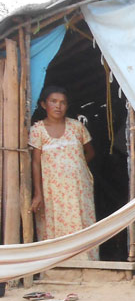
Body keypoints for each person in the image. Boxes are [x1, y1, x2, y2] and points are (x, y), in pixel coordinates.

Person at [28, 85, 98, 259]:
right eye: (53, 101)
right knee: (53, 226)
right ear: (44, 104)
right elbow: (35, 163)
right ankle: (56, 265)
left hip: (78, 188)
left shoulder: (77, 127)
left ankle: (86, 264)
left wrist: (76, 168)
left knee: (81, 223)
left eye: (63, 103)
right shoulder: (37, 130)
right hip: (52, 190)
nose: (58, 106)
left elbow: (90, 152)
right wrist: (38, 193)